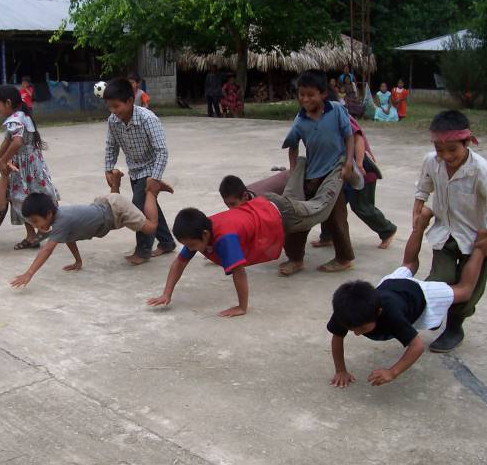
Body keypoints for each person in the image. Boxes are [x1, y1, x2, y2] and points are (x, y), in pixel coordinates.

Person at [148, 156, 346, 317]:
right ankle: (302, 162)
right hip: (265, 204)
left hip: (283, 213)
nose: (190, 249)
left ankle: (339, 167)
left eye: (191, 245)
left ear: (205, 234)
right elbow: (179, 262)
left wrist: (242, 307)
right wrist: (166, 293)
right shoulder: (198, 230)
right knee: (295, 193)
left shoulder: (224, 239)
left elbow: (239, 273)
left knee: (321, 206)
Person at [327, 207, 487, 388]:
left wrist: (392, 372)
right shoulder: (346, 310)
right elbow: (337, 337)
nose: (357, 333)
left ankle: (481, 246)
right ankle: (419, 225)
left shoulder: (391, 315)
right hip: (391, 284)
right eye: (352, 329)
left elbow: (416, 346)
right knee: (409, 264)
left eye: (362, 328)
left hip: (420, 294)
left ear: (379, 312)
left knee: (464, 291)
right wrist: (340, 370)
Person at [414, 110, 487, 352]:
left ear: (467, 142)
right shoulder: (431, 162)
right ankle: (435, 311)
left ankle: (455, 328)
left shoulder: (482, 170)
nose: (446, 156)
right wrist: (418, 209)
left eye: (452, 149)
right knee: (439, 281)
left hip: (475, 236)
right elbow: (423, 187)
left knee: (468, 291)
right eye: (439, 149)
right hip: (444, 232)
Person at [10, 172, 174, 287]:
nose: (35, 226)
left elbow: (46, 250)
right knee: (111, 209)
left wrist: (29, 273)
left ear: (48, 213)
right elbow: (70, 238)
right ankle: (116, 182)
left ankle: (152, 191)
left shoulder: (61, 221)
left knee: (150, 227)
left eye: (36, 221)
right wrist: (78, 261)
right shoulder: (61, 220)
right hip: (107, 204)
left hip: (117, 209)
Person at [279, 70, 356, 276]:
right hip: (311, 175)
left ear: (323, 94)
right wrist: (293, 171)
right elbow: (292, 145)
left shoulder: (337, 110)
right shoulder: (300, 120)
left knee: (337, 217)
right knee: (299, 215)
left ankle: (344, 258)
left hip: (334, 173)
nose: (305, 99)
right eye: (301, 94)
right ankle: (295, 259)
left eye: (310, 94)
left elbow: (349, 136)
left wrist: (349, 162)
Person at [104, 77, 176, 265]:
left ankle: (143, 251)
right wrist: (108, 169)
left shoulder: (148, 119)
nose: (113, 111)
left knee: (139, 208)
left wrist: (155, 178)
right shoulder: (113, 121)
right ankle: (167, 243)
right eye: (109, 107)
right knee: (150, 207)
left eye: (116, 106)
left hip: (150, 169)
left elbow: (162, 151)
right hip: (134, 170)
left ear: (130, 101)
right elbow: (111, 146)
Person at [312, 116, 397, 249]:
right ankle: (327, 236)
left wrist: (359, 164)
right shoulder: (318, 119)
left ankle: (388, 230)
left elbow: (358, 138)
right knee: (333, 204)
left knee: (362, 206)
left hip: (361, 171)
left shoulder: (339, 116)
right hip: (342, 172)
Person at [0, 85, 60, 250]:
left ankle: (37, 232)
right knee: (35, 196)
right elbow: (7, 140)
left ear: (8, 103)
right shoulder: (23, 116)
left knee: (20, 199)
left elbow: (17, 142)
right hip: (34, 164)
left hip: (24, 167)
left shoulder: (15, 119)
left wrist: (4, 160)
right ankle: (36, 233)